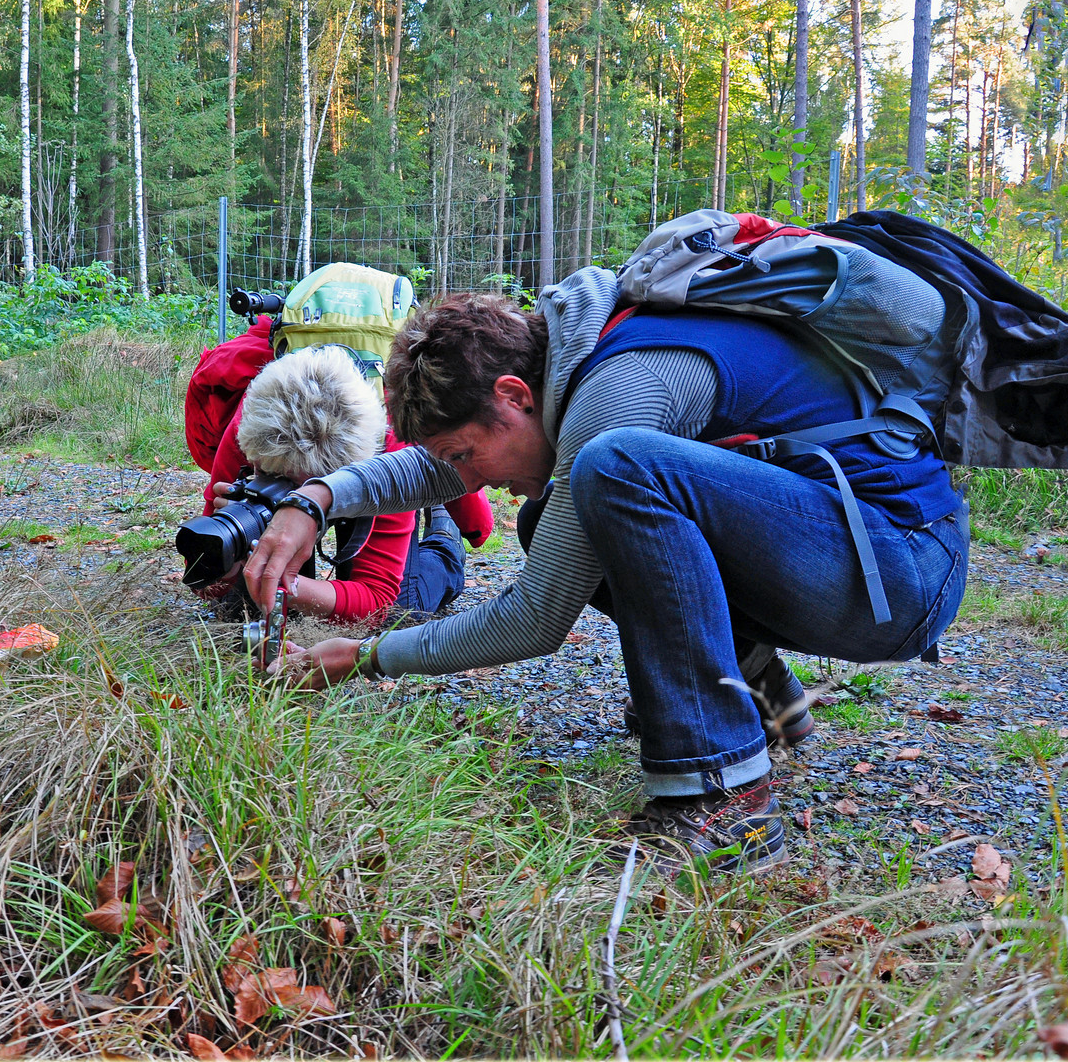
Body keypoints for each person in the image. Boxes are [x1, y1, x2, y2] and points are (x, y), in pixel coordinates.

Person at [241, 279, 970, 877]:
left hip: (901, 571)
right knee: (555, 516)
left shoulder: (616, 392)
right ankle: (756, 703)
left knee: (615, 472)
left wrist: (366, 658)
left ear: (514, 397)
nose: (469, 481)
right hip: (853, 555)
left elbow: (536, 618)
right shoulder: (578, 357)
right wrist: (318, 497)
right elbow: (432, 465)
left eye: (467, 457)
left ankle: (721, 795)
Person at [198, 343, 486, 623]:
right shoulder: (253, 430)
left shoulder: (386, 446)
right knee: (240, 610)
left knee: (402, 607)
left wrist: (279, 583)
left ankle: (443, 535)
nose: (293, 496)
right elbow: (201, 577)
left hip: (371, 491)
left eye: (302, 484)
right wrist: (230, 556)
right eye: (273, 477)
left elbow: (375, 601)